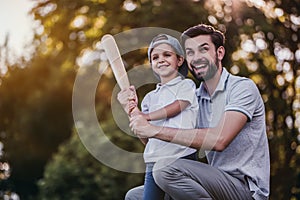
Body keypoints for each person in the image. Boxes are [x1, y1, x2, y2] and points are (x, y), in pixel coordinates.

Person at [118, 24, 270, 200]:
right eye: (190, 52)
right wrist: (132, 111)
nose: (196, 58)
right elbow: (157, 142)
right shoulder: (194, 99)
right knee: (134, 196)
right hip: (210, 183)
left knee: (165, 170)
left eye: (203, 50)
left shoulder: (242, 88)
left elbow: (220, 140)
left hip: (244, 190)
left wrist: (155, 130)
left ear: (219, 53)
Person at [126, 33, 199, 200]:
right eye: (155, 57)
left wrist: (146, 116)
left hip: (182, 156)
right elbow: (145, 136)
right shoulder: (150, 98)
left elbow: (177, 106)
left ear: (179, 60)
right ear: (151, 64)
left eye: (167, 55)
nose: (161, 60)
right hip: (154, 160)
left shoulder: (186, 85)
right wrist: (133, 111)